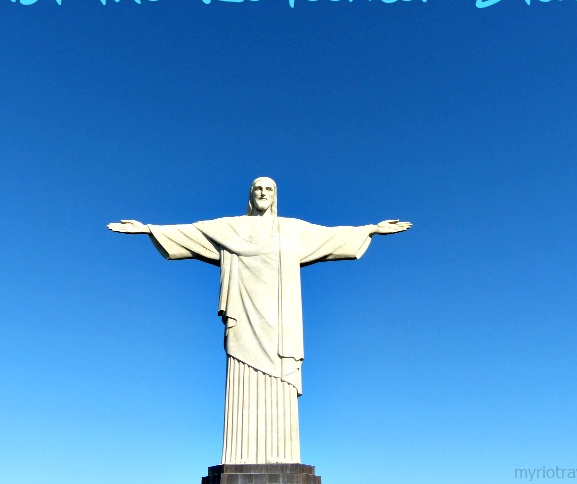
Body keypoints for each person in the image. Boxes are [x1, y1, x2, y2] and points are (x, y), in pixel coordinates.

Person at [107, 177, 411, 464]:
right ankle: (239, 457)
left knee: (281, 377)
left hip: (281, 322)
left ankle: (283, 457)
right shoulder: (231, 228)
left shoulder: (291, 229)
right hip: (244, 318)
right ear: (251, 195)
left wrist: (370, 229)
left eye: (268, 188)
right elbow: (192, 232)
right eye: (257, 188)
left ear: (275, 196)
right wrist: (148, 229)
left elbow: (329, 235)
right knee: (241, 373)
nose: (263, 193)